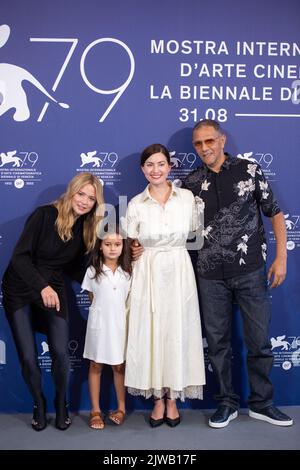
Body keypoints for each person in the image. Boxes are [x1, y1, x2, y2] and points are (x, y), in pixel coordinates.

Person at [183, 119, 293, 428]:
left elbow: (275, 214)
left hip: (251, 271)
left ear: (222, 140)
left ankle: (262, 403)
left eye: (209, 141)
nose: (204, 148)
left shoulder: (249, 169)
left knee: (259, 341)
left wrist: (281, 258)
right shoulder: (190, 183)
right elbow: (174, 229)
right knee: (217, 344)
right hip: (208, 274)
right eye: (198, 144)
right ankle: (227, 404)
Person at [2, 172, 104, 431]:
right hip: (21, 286)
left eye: (91, 198)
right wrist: (42, 287)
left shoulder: (86, 227)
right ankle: (39, 402)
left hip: (53, 288)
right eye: (81, 194)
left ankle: (61, 402)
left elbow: (77, 269)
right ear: (71, 191)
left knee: (60, 352)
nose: (84, 201)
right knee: (27, 356)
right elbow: (20, 258)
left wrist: (103, 286)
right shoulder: (44, 215)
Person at [123, 143, 205, 428]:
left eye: (160, 164)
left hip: (180, 270)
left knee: (177, 331)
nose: (155, 170)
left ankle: (173, 398)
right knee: (153, 333)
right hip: (147, 272)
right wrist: (132, 251)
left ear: (170, 167)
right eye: (149, 165)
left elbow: (197, 236)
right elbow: (129, 243)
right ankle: (158, 397)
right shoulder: (135, 203)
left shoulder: (187, 198)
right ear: (142, 170)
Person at [81, 225, 132, 429]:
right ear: (100, 246)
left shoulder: (128, 272)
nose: (112, 248)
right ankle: (95, 410)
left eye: (117, 244)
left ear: (123, 246)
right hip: (99, 326)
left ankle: (121, 408)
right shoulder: (93, 271)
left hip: (120, 326)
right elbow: (91, 296)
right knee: (95, 365)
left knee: (119, 366)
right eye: (108, 244)